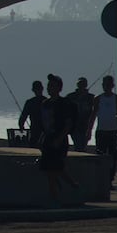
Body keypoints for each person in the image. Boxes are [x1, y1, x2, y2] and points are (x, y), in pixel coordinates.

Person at [39, 73, 79, 204]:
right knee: (51, 170)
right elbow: (43, 123)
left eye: (53, 86)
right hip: (48, 139)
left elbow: (68, 124)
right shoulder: (45, 103)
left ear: (59, 88)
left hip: (59, 140)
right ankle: (72, 185)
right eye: (48, 86)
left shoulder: (64, 103)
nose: (49, 88)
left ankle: (54, 198)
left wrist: (59, 139)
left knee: (54, 170)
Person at [91, 75, 117, 184]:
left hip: (113, 131)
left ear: (112, 85)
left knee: (113, 157)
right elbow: (93, 115)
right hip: (101, 131)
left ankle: (110, 179)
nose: (106, 86)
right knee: (100, 156)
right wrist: (89, 131)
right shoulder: (98, 99)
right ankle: (101, 179)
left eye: (108, 84)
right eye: (104, 84)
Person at [65, 77, 95, 151]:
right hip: (75, 126)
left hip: (86, 126)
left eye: (83, 84)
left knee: (83, 145)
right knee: (78, 144)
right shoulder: (71, 96)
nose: (82, 85)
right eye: (80, 84)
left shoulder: (91, 97)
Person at [19, 80, 45, 146]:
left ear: (33, 90)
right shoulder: (48, 101)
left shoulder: (30, 102)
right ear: (42, 89)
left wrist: (21, 126)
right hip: (46, 131)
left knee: (33, 146)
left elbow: (23, 117)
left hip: (34, 129)